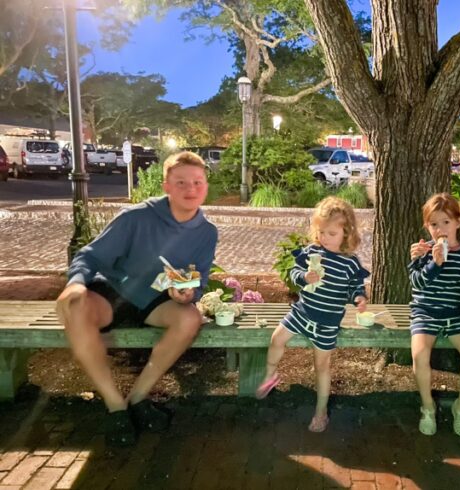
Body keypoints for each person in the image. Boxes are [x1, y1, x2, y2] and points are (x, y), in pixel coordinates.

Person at [56, 151, 218, 447]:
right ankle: (115, 406)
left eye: (197, 182)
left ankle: (139, 398)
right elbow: (89, 256)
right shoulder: (135, 217)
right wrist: (76, 284)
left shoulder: (207, 233)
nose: (190, 189)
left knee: (190, 318)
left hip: (157, 298)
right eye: (180, 182)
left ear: (206, 186)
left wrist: (188, 292)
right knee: (76, 308)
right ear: (167, 186)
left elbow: (199, 278)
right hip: (114, 291)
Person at [255, 196, 368, 433]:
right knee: (277, 339)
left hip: (327, 322)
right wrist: (303, 277)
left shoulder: (349, 263)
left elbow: (354, 287)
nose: (324, 238)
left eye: (331, 233)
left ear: (346, 234)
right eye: (321, 232)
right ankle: (270, 375)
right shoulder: (312, 252)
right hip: (302, 312)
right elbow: (294, 270)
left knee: (322, 366)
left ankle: (321, 411)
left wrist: (359, 297)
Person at [407, 193, 460, 437]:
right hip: (425, 312)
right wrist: (434, 263)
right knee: (420, 357)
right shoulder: (422, 252)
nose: (440, 229)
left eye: (446, 222)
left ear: (458, 223)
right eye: (434, 224)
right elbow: (416, 284)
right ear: (427, 227)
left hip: (455, 313)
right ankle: (428, 407)